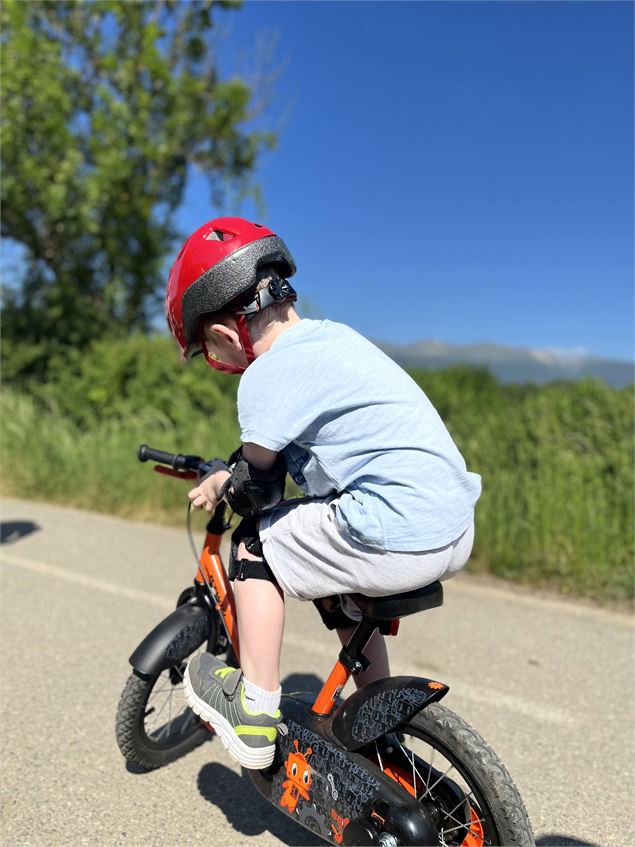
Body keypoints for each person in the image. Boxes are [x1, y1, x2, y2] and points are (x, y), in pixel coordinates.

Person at [165, 216, 481, 770]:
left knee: (255, 547)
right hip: (451, 525)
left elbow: (259, 488)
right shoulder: (337, 339)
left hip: (395, 533)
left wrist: (227, 485)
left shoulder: (265, 375)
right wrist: (236, 473)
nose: (222, 365)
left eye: (211, 354)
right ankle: (375, 705)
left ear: (221, 333)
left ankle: (256, 713)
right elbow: (284, 457)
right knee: (324, 560)